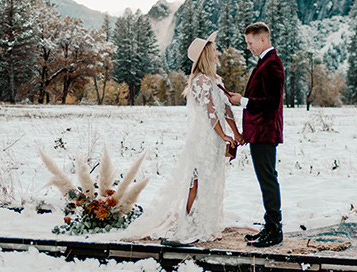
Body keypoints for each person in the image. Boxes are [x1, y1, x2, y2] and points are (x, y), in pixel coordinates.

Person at [122, 32, 241, 244]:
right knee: (196, 180)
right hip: (204, 137)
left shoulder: (216, 81)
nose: (217, 53)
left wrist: (236, 132)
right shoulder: (200, 81)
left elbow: (226, 109)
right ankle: (187, 224)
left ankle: (205, 223)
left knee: (213, 179)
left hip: (215, 138)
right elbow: (210, 111)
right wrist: (224, 134)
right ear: (206, 54)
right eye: (214, 50)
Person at [228, 22, 285, 248]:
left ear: (263, 39)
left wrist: (241, 101)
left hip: (265, 132)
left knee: (268, 179)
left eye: (250, 43)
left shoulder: (272, 65)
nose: (248, 47)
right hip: (260, 132)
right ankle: (270, 226)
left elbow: (271, 103)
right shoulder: (266, 63)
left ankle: (274, 229)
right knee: (266, 179)